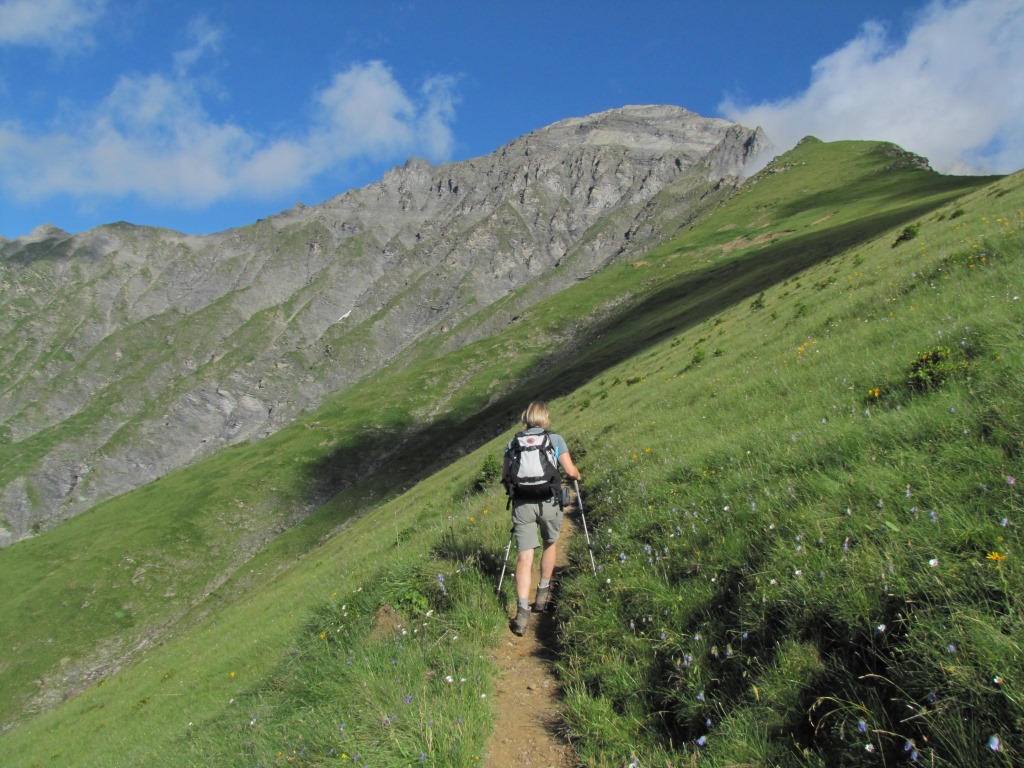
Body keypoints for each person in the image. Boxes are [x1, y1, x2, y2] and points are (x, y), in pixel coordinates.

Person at [505, 401, 581, 636]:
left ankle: (522, 613)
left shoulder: (513, 443)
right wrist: (578, 476)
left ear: (526, 419)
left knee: (524, 556)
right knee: (550, 543)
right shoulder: (554, 440)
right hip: (549, 502)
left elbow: (507, 476)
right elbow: (570, 471)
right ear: (545, 418)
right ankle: (542, 595)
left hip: (522, 505)